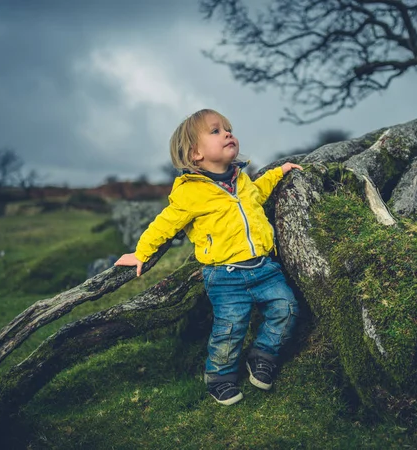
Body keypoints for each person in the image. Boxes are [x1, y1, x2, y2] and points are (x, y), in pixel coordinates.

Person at [114, 109, 302, 405]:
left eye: (228, 128)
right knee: (229, 328)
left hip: (265, 268)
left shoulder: (241, 180)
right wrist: (140, 253)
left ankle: (263, 354)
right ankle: (219, 376)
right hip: (225, 276)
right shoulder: (190, 193)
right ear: (195, 153)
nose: (228, 133)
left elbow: (257, 194)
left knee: (287, 308)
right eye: (215, 131)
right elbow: (164, 224)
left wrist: (278, 174)